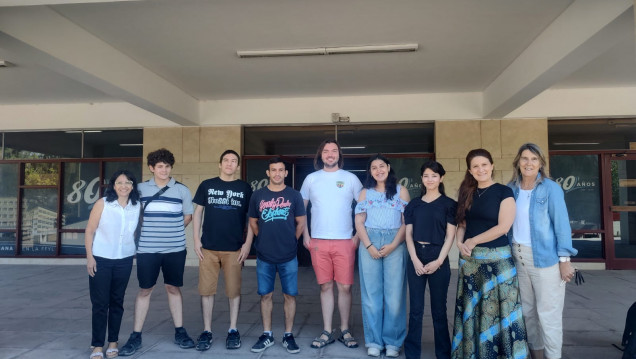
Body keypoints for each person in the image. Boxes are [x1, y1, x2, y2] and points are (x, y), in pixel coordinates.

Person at [452, 148, 529, 359]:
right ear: (470, 170)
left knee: (501, 312)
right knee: (474, 312)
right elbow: (462, 222)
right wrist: (459, 243)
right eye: (475, 166)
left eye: (484, 164)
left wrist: (473, 240)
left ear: (492, 165)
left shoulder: (504, 192)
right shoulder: (467, 192)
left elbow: (504, 227)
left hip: (498, 264)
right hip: (470, 262)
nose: (481, 169)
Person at [119, 148, 195, 356]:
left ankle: (180, 331)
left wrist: (171, 231)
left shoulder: (182, 190)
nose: (164, 170)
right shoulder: (140, 189)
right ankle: (136, 335)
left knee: (173, 288)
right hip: (147, 249)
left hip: (175, 249)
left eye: (167, 166)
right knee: (145, 290)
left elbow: (188, 216)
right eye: (159, 166)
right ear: (152, 168)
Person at [507, 143, 577, 359]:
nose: (529, 163)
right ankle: (537, 356)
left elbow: (562, 225)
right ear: (518, 162)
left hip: (545, 259)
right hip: (517, 258)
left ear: (541, 163)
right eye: (525, 158)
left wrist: (564, 259)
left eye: (534, 159)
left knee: (548, 315)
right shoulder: (510, 188)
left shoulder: (551, 188)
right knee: (527, 313)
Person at [300, 139, 363, 349]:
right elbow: (302, 210)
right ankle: (327, 330)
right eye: (326, 151)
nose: (330, 154)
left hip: (345, 240)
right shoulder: (311, 179)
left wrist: (357, 237)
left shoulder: (351, 178)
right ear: (320, 155)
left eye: (334, 151)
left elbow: (363, 208)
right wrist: (305, 236)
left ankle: (345, 329)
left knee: (344, 287)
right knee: (325, 286)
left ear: (339, 155)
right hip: (318, 241)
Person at [192, 149, 254, 351]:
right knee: (206, 291)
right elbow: (198, 212)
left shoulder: (244, 188)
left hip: (234, 249)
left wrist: (247, 244)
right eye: (226, 160)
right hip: (208, 248)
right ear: (220, 164)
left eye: (233, 161)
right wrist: (195, 240)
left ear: (237, 166)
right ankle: (207, 331)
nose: (229, 163)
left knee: (233, 291)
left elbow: (251, 218)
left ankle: (233, 330)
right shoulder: (207, 185)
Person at [248, 157, 306, 354]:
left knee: (290, 295)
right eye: (274, 170)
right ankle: (267, 334)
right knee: (266, 295)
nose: (277, 173)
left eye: (281, 170)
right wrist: (262, 238)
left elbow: (301, 222)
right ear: (268, 173)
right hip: (264, 255)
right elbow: (253, 222)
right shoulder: (258, 195)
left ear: (286, 173)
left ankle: (288, 335)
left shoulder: (294, 195)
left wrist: (291, 241)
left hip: (288, 255)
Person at [354, 154, 410, 357]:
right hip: (370, 239)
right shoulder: (365, 193)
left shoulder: (400, 191)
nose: (378, 170)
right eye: (374, 167)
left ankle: (393, 341)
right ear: (370, 172)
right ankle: (374, 341)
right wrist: (368, 245)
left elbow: (406, 222)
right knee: (371, 295)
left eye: (381, 166)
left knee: (394, 295)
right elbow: (359, 222)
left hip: (395, 240)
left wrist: (395, 244)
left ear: (388, 167)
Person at [85, 170, 141, 359]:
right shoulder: (103, 204)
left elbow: (134, 232)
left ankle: (113, 342)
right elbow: (89, 231)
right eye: (119, 182)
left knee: (117, 302)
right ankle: (97, 345)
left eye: (128, 182)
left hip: (124, 260)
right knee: (100, 303)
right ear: (113, 185)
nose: (123, 186)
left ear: (133, 186)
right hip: (101, 259)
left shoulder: (136, 205)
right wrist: (90, 257)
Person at [404, 161, 456, 359]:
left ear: (441, 178)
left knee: (439, 311)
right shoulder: (413, 205)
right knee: (416, 309)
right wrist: (415, 260)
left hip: (438, 256)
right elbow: (408, 235)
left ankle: (443, 353)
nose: (430, 179)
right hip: (416, 254)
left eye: (434, 176)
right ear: (422, 179)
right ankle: (412, 353)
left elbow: (450, 236)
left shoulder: (449, 204)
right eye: (426, 175)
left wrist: (439, 261)